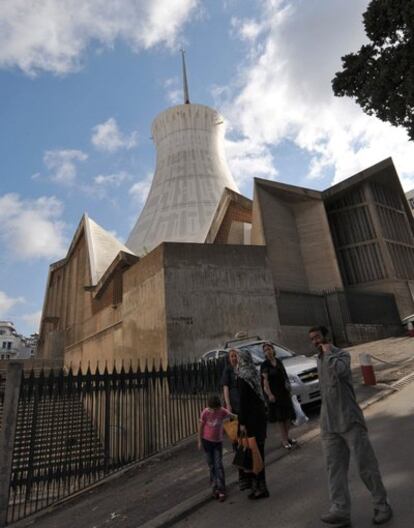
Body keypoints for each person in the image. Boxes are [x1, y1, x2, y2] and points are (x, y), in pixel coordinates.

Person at [308, 326, 393, 527]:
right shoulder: (318, 359)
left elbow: (339, 371)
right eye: (312, 339)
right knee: (334, 469)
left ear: (327, 337)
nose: (315, 342)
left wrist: (328, 352)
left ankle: (382, 506)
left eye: (317, 337)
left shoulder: (341, 355)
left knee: (366, 465)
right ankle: (340, 510)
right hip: (329, 423)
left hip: (349, 419)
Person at [236, 348, 269, 499]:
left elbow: (243, 402)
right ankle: (261, 486)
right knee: (260, 451)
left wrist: (241, 422)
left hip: (250, 420)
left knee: (253, 453)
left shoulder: (242, 376)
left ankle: (258, 487)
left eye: (237, 357)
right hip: (260, 417)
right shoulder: (254, 373)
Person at [261, 342, 297, 449]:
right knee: (280, 418)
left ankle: (287, 437)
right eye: (265, 350)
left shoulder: (279, 361)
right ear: (264, 353)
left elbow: (284, 375)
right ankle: (284, 440)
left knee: (288, 416)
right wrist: (269, 394)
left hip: (284, 392)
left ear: (273, 350)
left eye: (269, 349)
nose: (268, 351)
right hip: (274, 394)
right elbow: (265, 381)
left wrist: (289, 386)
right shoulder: (265, 365)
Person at [198, 394, 233, 502]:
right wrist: (199, 441)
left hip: (217, 442)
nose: (213, 411)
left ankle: (221, 489)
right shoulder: (205, 412)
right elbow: (201, 427)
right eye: (212, 409)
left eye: (215, 409)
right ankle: (214, 488)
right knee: (212, 465)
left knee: (218, 465)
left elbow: (231, 415)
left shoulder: (221, 411)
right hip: (207, 441)